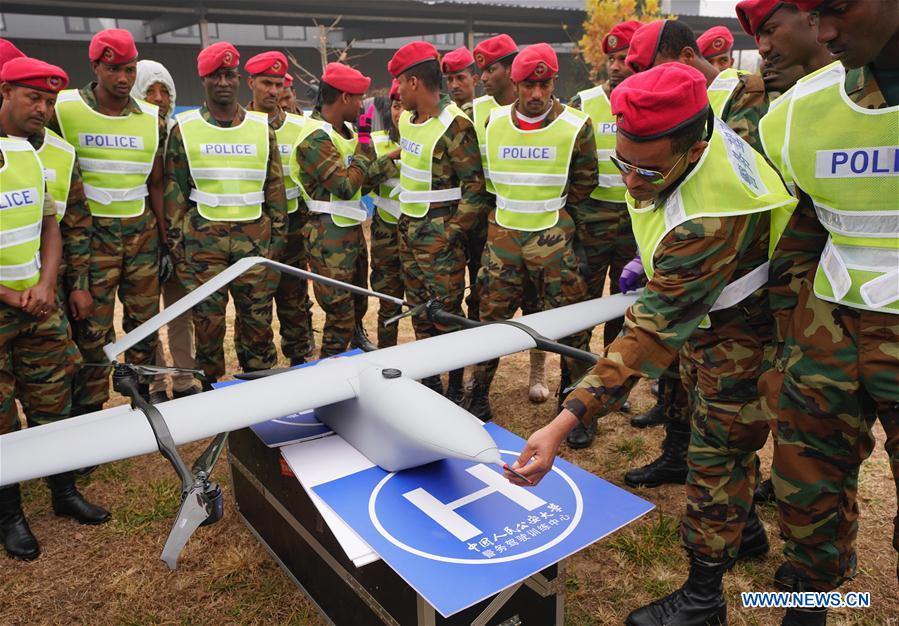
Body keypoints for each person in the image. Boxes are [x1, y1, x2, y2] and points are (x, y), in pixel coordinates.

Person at [504, 63, 796, 626]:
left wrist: (563, 423)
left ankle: (706, 598)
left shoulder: (709, 219)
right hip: (714, 319)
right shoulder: (693, 147)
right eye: (624, 163)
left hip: (744, 334)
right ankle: (749, 532)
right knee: (727, 443)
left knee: (713, 454)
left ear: (695, 149)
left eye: (647, 171)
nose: (632, 184)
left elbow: (647, 334)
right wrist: (654, 261)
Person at [758, 1, 898, 622]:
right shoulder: (795, 114)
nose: (827, 30)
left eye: (841, 8)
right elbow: (806, 226)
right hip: (832, 319)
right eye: (817, 11)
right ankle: (807, 598)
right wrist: (788, 336)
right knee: (803, 471)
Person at [617, 18, 771, 490]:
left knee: (725, 437)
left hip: (734, 304)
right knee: (686, 392)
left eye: (650, 70)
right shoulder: (649, 139)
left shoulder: (745, 97)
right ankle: (677, 453)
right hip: (691, 287)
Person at [0, 57, 110, 562]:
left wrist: (47, 281)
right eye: (32, 98)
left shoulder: (28, 153)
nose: (42, 108)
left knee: (53, 405)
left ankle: (63, 493)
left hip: (39, 305)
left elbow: (51, 225)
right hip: (4, 304)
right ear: (5, 93)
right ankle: (10, 516)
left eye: (48, 101)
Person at [736, 0, 832, 509]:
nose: (764, 47)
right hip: (785, 291)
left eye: (772, 29)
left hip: (846, 303)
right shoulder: (777, 110)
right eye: (758, 37)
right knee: (794, 413)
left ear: (812, 17)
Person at [472, 43, 598, 423]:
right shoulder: (494, 122)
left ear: (554, 81)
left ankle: (575, 407)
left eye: (544, 85)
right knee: (490, 321)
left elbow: (584, 182)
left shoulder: (577, 125)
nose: (537, 94)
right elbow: (490, 182)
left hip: (553, 239)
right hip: (503, 240)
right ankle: (477, 395)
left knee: (572, 327)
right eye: (528, 85)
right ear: (516, 82)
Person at [50, 28, 168, 413]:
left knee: (144, 323)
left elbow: (156, 184)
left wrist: (165, 240)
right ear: (96, 67)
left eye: (130, 70)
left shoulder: (152, 118)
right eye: (114, 69)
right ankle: (90, 409)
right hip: (88, 241)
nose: (123, 79)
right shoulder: (64, 110)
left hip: (141, 236)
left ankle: (145, 400)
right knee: (92, 330)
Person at [164, 42, 287, 387]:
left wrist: (276, 245)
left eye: (229, 75)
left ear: (238, 80)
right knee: (208, 327)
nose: (223, 82)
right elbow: (174, 195)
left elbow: (275, 192)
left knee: (258, 326)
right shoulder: (183, 129)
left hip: (256, 245)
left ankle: (260, 393)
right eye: (216, 75)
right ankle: (211, 394)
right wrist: (179, 253)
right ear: (203, 80)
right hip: (203, 247)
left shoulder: (263, 129)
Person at [388, 40, 489, 401]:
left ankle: (457, 384)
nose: (397, 91)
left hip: (439, 234)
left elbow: (476, 189)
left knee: (446, 313)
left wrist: (452, 233)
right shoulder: (409, 121)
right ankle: (431, 381)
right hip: (409, 229)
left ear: (415, 83)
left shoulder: (455, 125)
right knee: (418, 309)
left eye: (400, 82)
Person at [565, 20, 641, 448]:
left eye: (623, 58)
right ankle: (577, 401)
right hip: (592, 224)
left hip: (635, 225)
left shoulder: (648, 101)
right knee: (581, 311)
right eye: (610, 59)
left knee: (624, 313)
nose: (616, 66)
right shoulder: (585, 102)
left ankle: (613, 392)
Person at [470, 34, 552, 408]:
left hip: (542, 227)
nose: (483, 76)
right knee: (489, 306)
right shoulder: (480, 114)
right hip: (495, 221)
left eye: (491, 68)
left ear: (510, 70)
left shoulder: (556, 117)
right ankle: (479, 386)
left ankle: (538, 369)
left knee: (538, 304)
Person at [289, 62, 374, 357]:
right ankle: (329, 372)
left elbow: (366, 177)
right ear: (344, 98)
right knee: (339, 313)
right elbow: (345, 186)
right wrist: (363, 154)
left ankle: (348, 373)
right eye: (359, 98)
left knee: (358, 305)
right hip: (327, 235)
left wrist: (365, 153)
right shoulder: (314, 136)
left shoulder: (346, 132)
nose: (362, 105)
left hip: (349, 230)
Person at [131, 60, 200, 404]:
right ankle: (156, 384)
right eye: (150, 91)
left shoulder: (181, 134)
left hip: (177, 237)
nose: (159, 98)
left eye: (165, 91)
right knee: (145, 315)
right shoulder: (127, 136)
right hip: (137, 239)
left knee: (180, 312)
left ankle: (185, 379)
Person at [245, 51, 315, 365]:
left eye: (277, 84)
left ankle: (302, 368)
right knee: (253, 309)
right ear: (251, 84)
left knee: (295, 305)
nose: (272, 91)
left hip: (295, 230)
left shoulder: (301, 128)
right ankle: (257, 373)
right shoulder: (238, 127)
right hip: (252, 229)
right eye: (265, 83)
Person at [366, 84, 404, 347]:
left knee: (425, 305)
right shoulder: (377, 140)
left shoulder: (432, 138)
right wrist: (395, 155)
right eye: (395, 105)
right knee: (388, 301)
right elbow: (364, 179)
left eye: (404, 105)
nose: (400, 112)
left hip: (423, 234)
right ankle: (385, 356)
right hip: (385, 232)